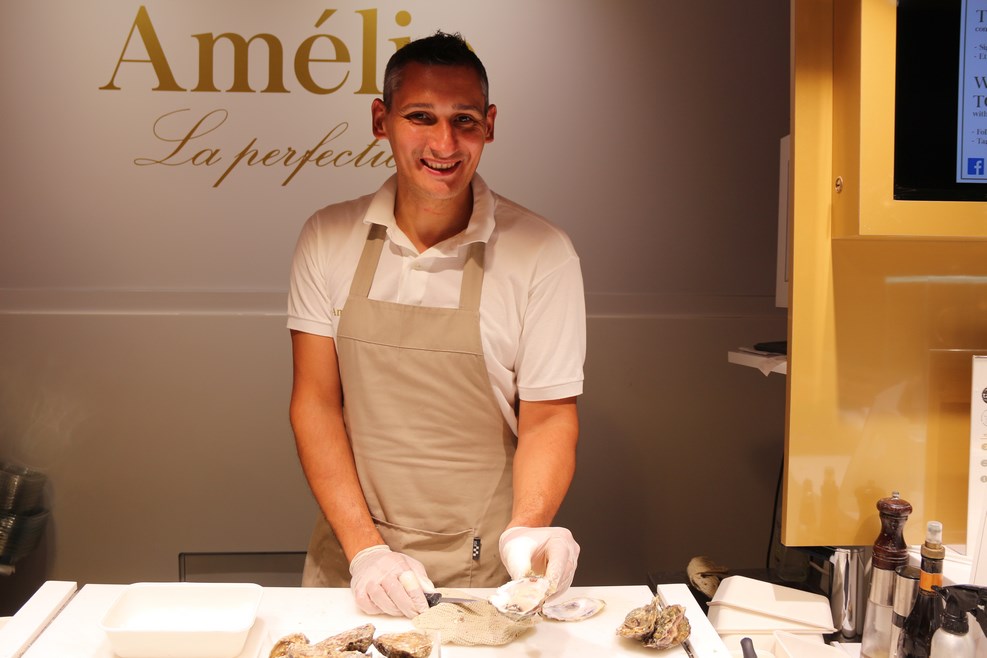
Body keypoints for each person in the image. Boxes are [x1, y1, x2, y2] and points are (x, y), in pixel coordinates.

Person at [286, 31, 585, 619]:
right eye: (421, 117)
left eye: (464, 120)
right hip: (353, 568)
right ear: (381, 120)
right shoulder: (326, 238)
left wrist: (528, 532)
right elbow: (315, 403)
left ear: (489, 125)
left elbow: (549, 416)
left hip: (488, 577)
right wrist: (367, 552)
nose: (444, 143)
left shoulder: (544, 254)